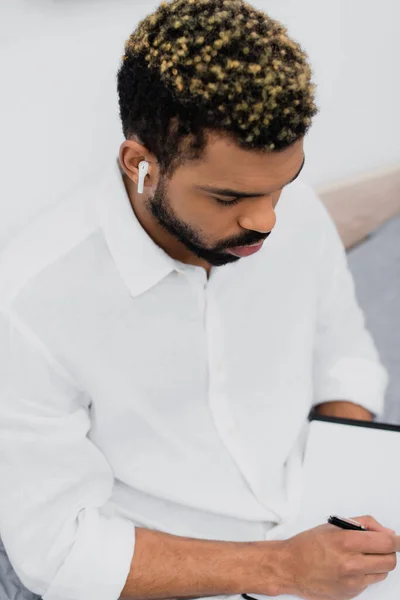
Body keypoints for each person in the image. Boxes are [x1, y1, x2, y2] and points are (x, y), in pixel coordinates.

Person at [0, 0, 396, 599]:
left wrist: (336, 500)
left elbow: (345, 356)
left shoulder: (300, 217)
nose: (266, 221)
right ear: (141, 165)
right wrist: (284, 567)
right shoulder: (30, 306)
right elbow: (60, 552)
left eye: (281, 186)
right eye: (228, 196)